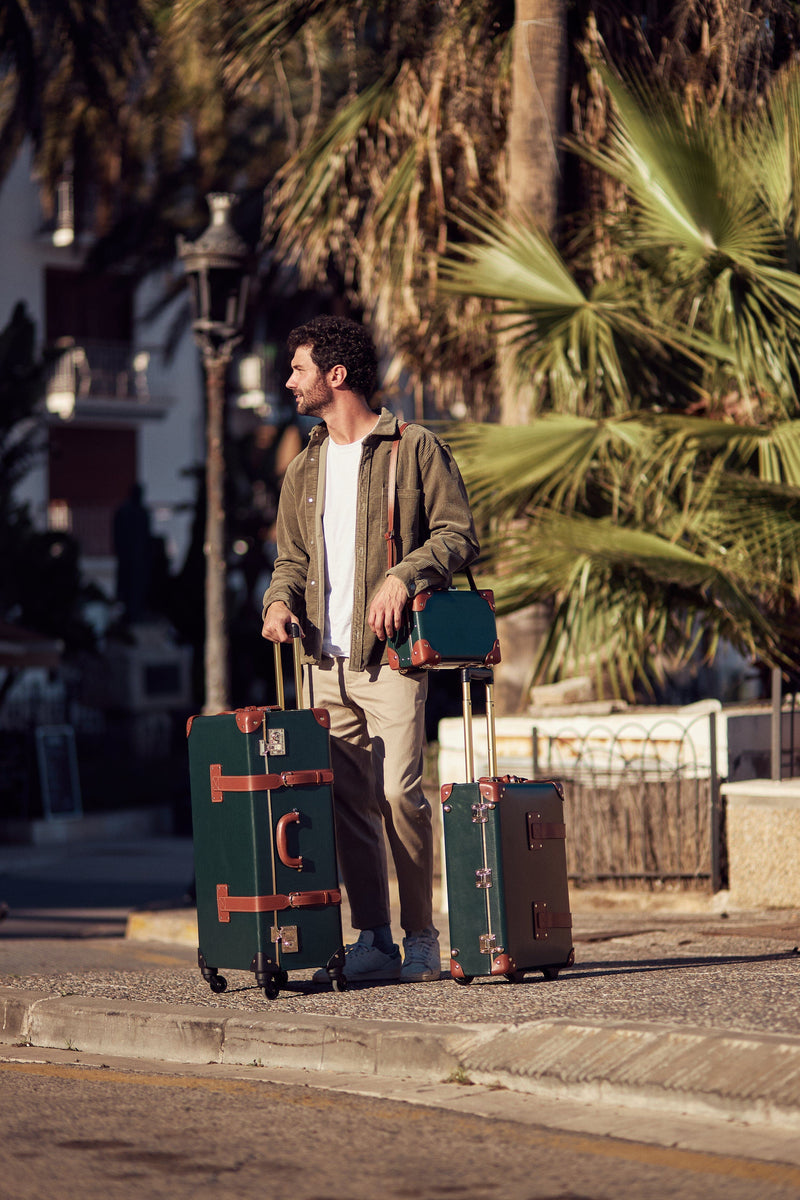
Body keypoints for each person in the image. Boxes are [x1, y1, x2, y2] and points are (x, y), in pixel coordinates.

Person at [261, 315, 479, 983]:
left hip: (391, 661)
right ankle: (374, 937)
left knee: (399, 794)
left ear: (336, 375)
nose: (289, 380)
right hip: (321, 665)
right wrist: (276, 602)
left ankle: (420, 935)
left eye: (298, 368)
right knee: (346, 807)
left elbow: (457, 535)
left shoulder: (413, 448)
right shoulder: (302, 467)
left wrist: (401, 574)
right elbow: (291, 558)